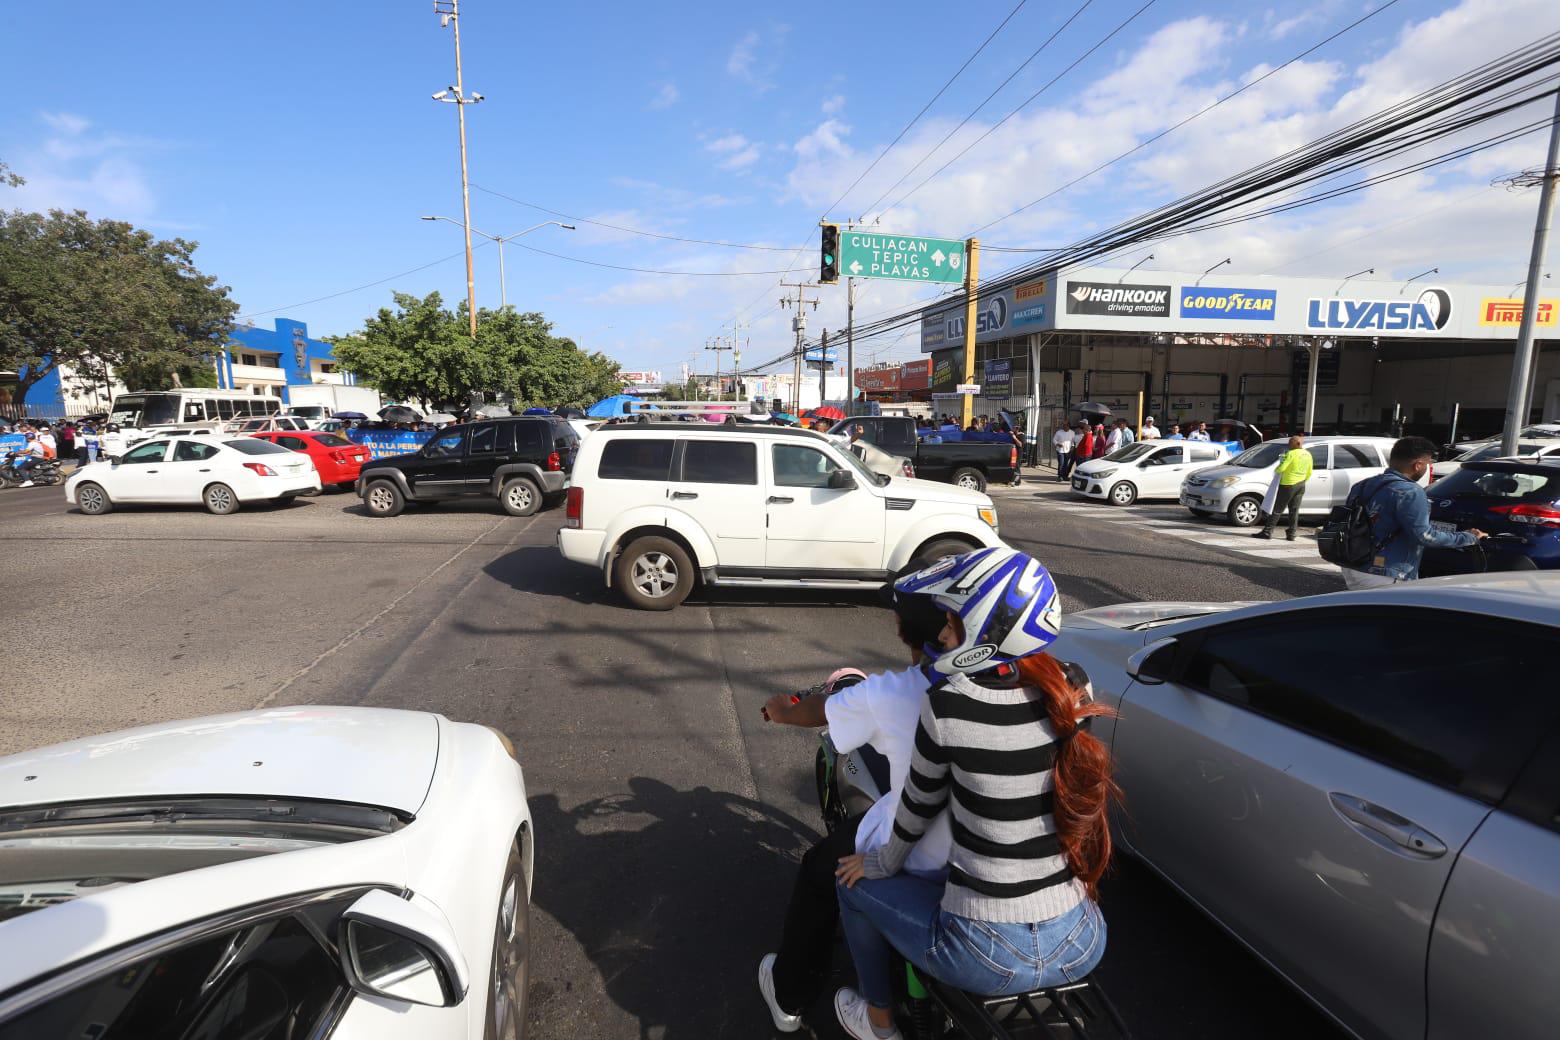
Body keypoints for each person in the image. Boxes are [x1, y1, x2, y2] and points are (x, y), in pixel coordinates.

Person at [832, 549, 1114, 1040]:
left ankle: (877, 1022)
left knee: (848, 886)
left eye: (952, 621)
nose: (943, 633)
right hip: (1081, 938)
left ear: (987, 629)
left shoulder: (949, 704)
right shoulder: (1072, 688)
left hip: (986, 951)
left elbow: (916, 809)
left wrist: (876, 864)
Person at [757, 572, 954, 1033]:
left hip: (918, 853)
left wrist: (780, 709)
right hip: (986, 855)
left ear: (903, 629)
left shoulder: (894, 693)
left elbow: (812, 711)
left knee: (821, 870)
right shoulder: (1021, 687)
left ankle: (789, 995)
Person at [1339, 436, 1485, 588]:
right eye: (1427, 464)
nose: (1427, 468)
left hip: (1352, 565)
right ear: (1418, 465)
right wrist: (1468, 537)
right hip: (1385, 572)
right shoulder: (1410, 492)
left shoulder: (1362, 485)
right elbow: (1425, 536)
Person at [1256, 436, 1312, 541]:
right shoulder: (1308, 454)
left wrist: (1278, 466)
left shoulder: (1290, 454)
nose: (1288, 445)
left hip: (1288, 484)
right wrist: (1302, 480)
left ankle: (1267, 532)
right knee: (1294, 510)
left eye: (1290, 443)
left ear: (1297, 444)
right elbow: (1309, 471)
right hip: (1301, 485)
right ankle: (1292, 534)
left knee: (1278, 509)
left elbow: (1281, 468)